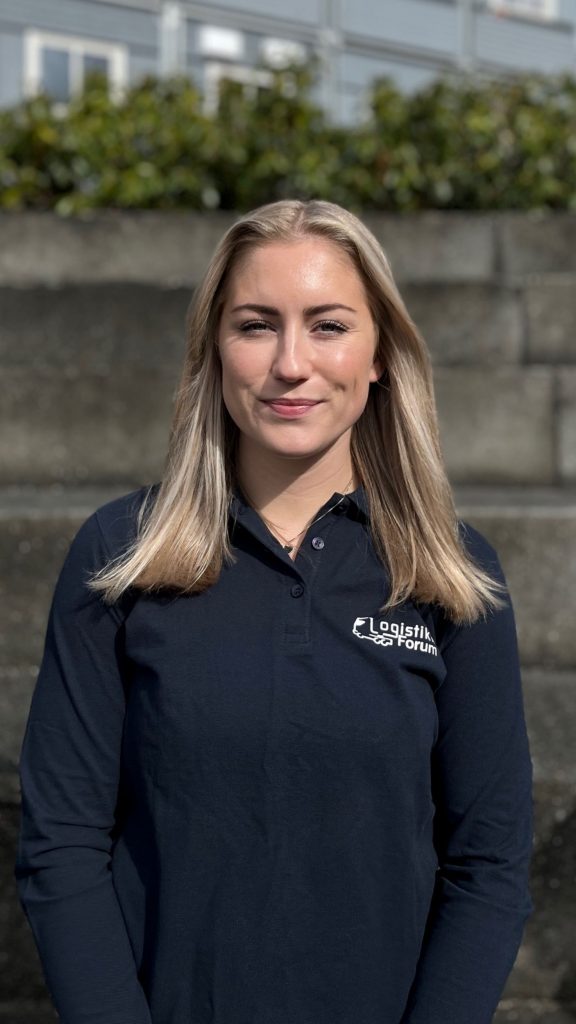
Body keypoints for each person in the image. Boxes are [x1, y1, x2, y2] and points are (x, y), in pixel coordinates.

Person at [14, 198, 533, 1024]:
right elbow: (61, 846)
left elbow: (490, 866)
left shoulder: (452, 573)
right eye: (256, 325)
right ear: (214, 350)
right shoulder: (121, 553)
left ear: (380, 354)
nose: (292, 363)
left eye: (328, 326)